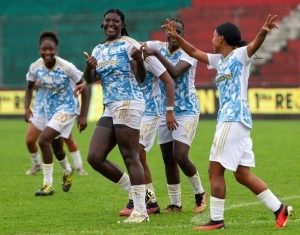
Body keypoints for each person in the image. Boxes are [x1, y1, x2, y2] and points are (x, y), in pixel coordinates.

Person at [162, 15, 293, 230]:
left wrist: (264, 30)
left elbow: (253, 45)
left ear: (221, 38)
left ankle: (216, 220)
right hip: (236, 122)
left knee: (215, 171)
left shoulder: (239, 55)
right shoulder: (219, 60)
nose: (212, 37)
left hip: (233, 119)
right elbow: (194, 52)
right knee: (242, 174)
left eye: (214, 34)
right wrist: (176, 36)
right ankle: (279, 208)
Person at [74, 9, 150, 223]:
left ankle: (141, 212)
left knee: (130, 156)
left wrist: (140, 60)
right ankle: (136, 193)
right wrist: (88, 72)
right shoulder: (98, 49)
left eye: (115, 21)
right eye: (107, 20)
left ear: (122, 24)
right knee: (95, 157)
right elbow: (91, 77)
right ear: (103, 23)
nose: (111, 24)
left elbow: (141, 78)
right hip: (110, 106)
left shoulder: (129, 45)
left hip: (129, 102)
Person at [141, 18, 207, 213]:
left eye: (178, 31)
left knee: (180, 155)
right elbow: (136, 47)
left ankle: (200, 193)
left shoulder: (189, 53)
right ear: (166, 33)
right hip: (164, 110)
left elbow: (175, 73)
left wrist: (156, 55)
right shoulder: (156, 46)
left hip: (186, 110)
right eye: (170, 31)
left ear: (183, 34)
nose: (173, 34)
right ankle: (176, 204)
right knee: (168, 158)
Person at [24, 30, 88, 196]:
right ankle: (68, 170)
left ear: (56, 50)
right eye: (44, 49)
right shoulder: (35, 67)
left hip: (68, 108)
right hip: (49, 111)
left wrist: (82, 115)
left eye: (50, 49)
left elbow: (84, 87)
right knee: (57, 148)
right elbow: (29, 87)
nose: (47, 52)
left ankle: (47, 185)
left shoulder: (66, 67)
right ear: (39, 50)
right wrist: (26, 108)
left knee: (43, 140)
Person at [119, 44, 178, 216]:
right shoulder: (120, 59)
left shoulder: (147, 58)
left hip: (152, 111)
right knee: (137, 154)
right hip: (133, 111)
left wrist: (169, 111)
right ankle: (150, 201)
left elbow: (169, 80)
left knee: (136, 151)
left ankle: (138, 198)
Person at [25, 81, 88, 176]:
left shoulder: (61, 69)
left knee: (68, 139)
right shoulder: (38, 68)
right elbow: (31, 83)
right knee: (30, 140)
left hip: (57, 110)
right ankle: (37, 165)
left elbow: (75, 82)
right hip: (39, 110)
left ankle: (79, 167)